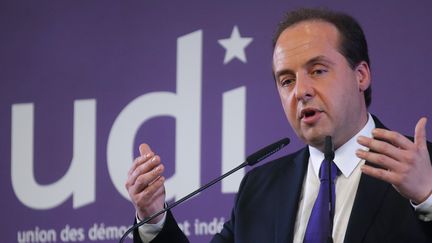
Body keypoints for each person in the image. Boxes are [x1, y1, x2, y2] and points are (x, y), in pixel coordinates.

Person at [125, 8, 432, 243]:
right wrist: (153, 219)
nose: (301, 91)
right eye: (287, 80)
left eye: (318, 70)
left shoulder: (426, 170)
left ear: (361, 75)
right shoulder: (259, 190)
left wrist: (428, 199)